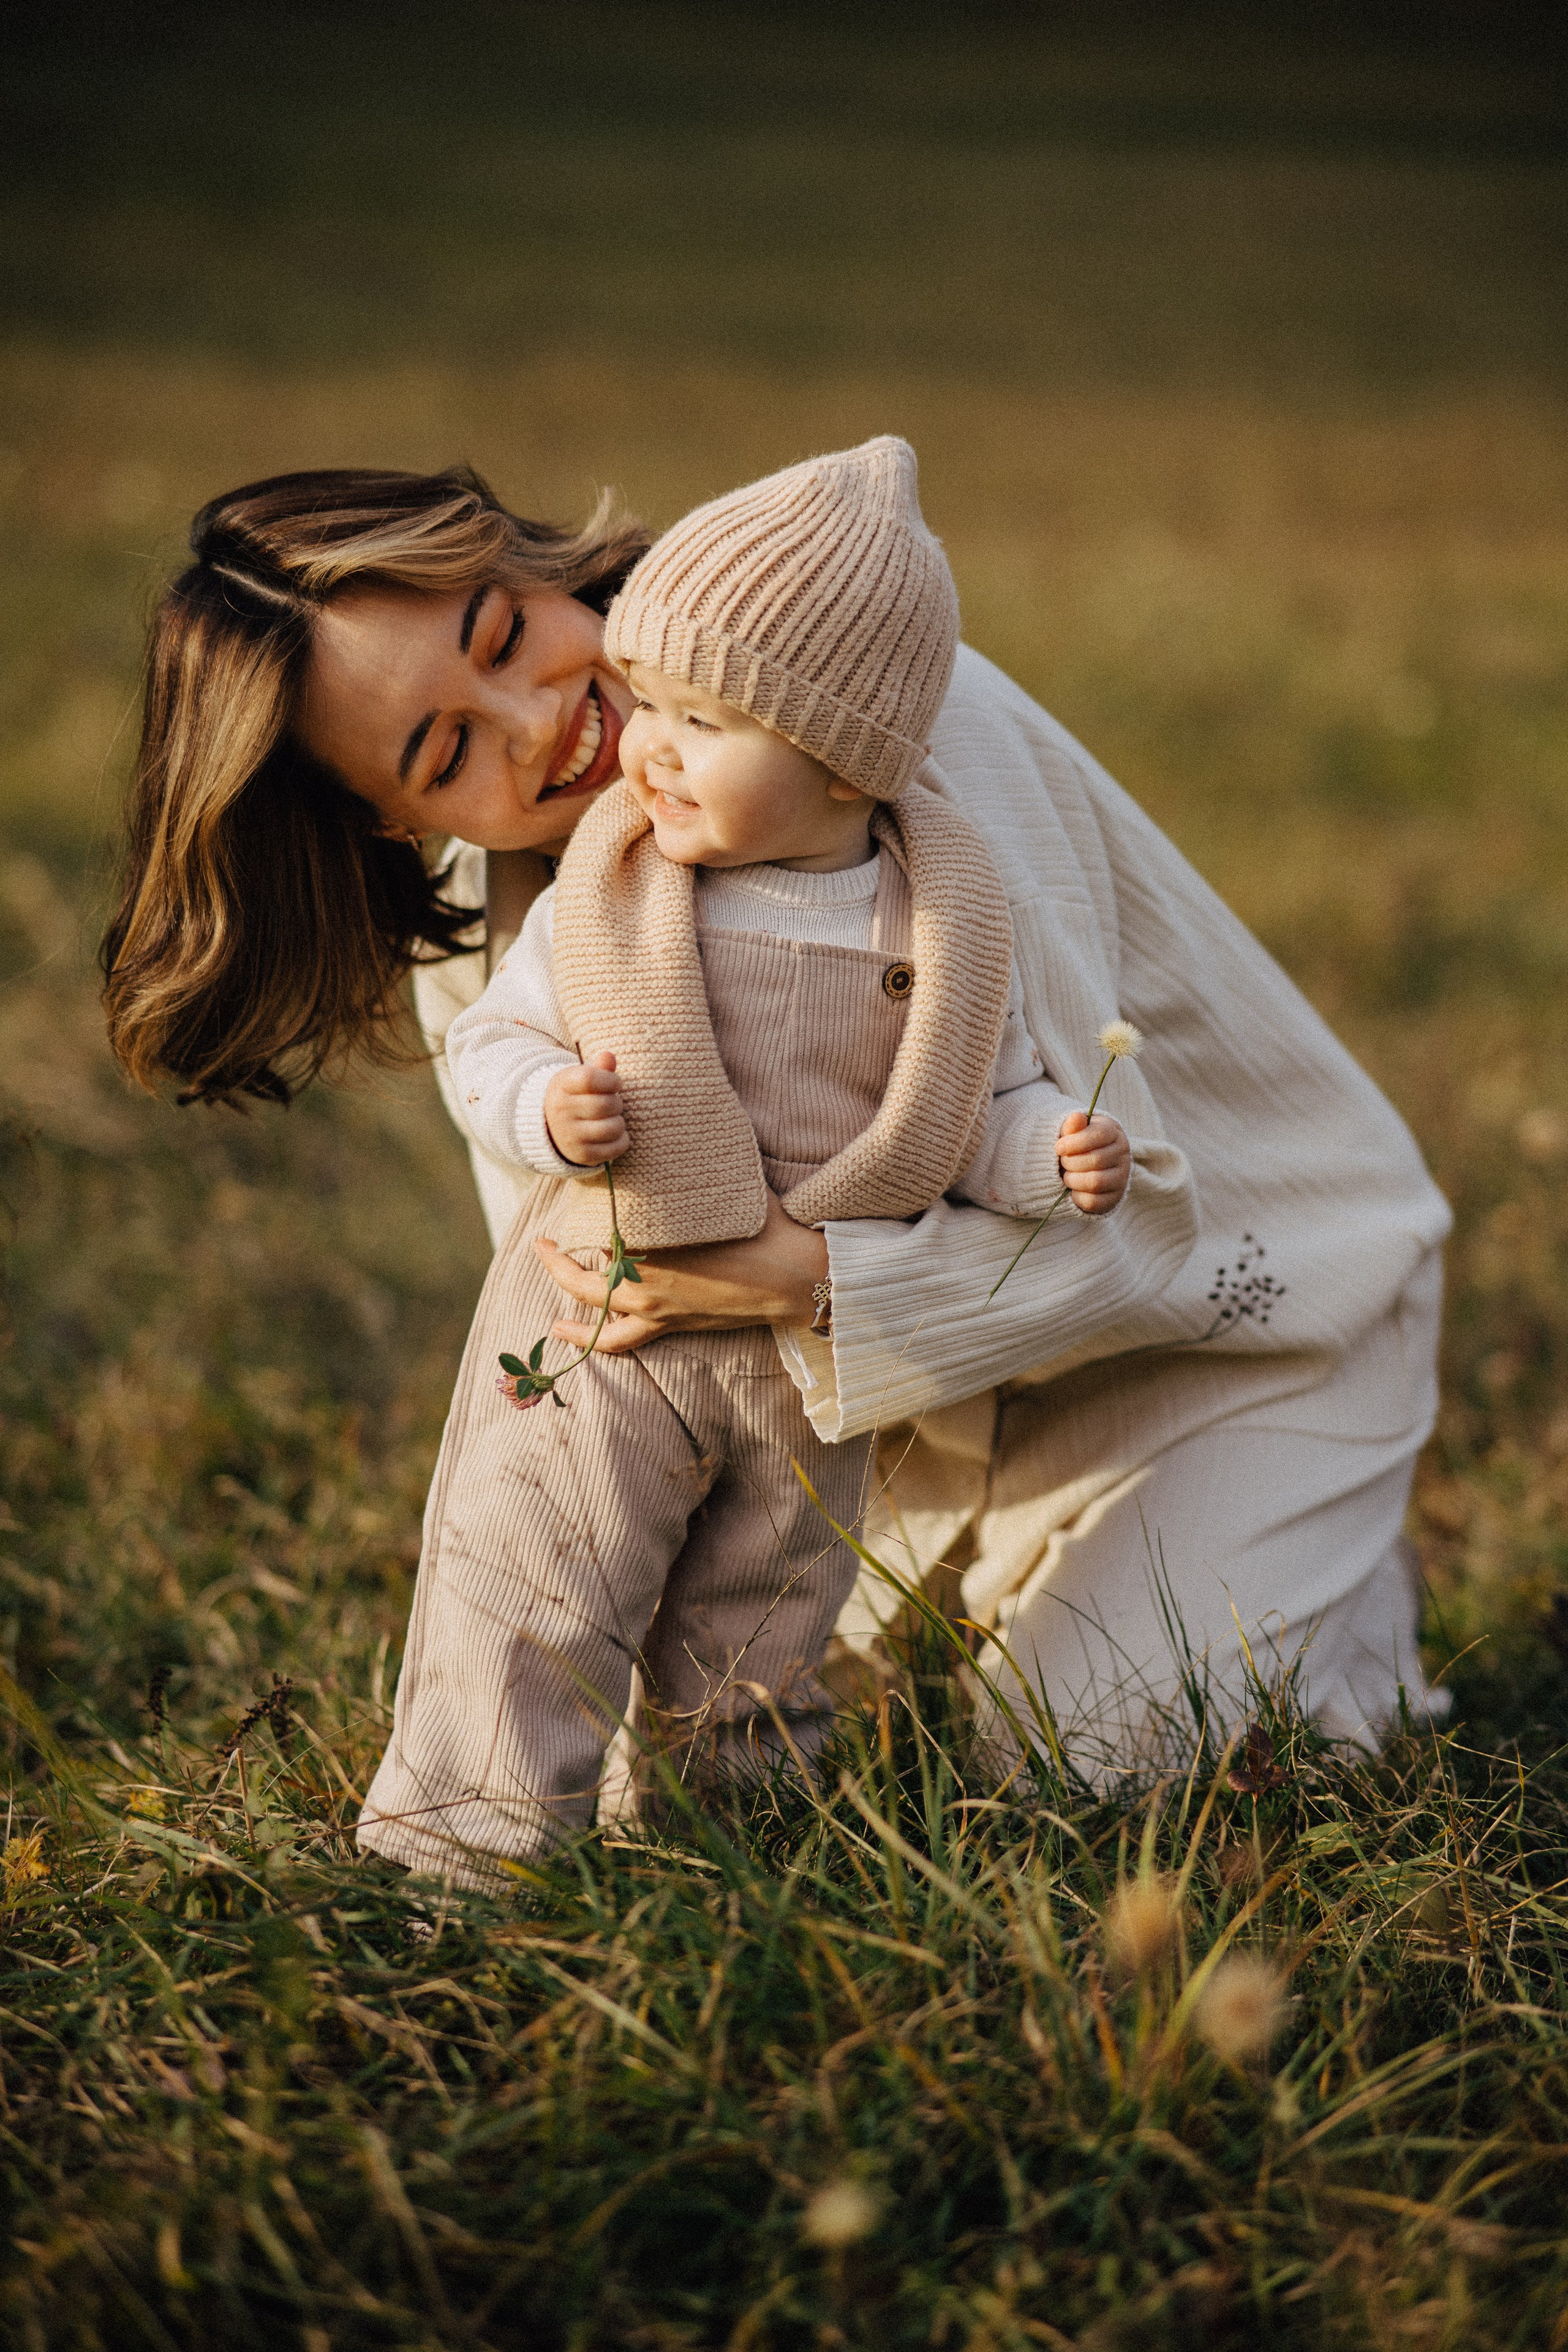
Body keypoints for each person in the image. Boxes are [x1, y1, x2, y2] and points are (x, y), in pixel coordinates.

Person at [104, 459, 1451, 1866]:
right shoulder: (512, 922)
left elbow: (1128, 1228)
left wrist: (805, 1281)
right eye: (442, 755)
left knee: (1078, 1777)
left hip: (1217, 1331)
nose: (540, 724)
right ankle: (1025, 1581)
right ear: (392, 818)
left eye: (503, 636)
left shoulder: (879, 729)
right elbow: (615, 1349)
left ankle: (1314, 1562)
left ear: (522, 558)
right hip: (880, 1430)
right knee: (804, 1720)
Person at [355, 440, 1134, 1874]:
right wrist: (545, 1114)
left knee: (764, 1619)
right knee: (536, 1579)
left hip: (803, 1378)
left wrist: (1051, 1153)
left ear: (841, 761)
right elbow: (493, 1045)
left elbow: (979, 1106)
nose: (636, 745)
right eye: (650, 698)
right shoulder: (603, 884)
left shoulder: (937, 915)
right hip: (604, 1346)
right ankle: (461, 1854)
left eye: (698, 718)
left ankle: (729, 1852)